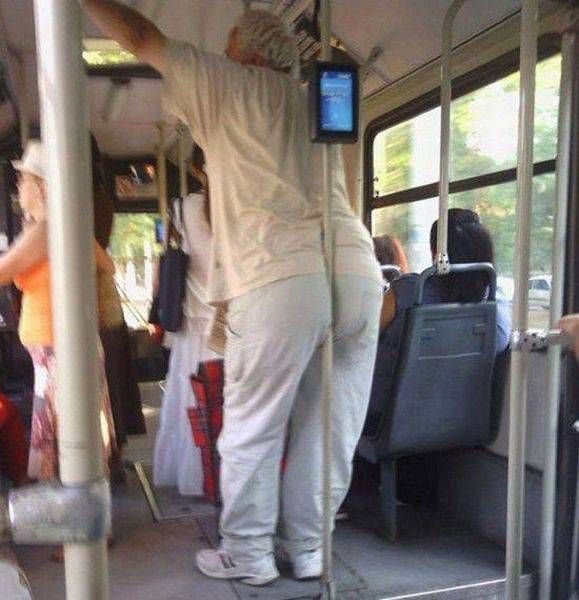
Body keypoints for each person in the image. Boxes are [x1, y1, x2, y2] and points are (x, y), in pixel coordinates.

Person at [82, 3, 382, 585]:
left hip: (281, 276)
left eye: (226, 47)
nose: (221, 55)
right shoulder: (317, 99)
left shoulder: (230, 83)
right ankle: (310, 548)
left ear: (244, 53)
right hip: (356, 271)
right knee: (330, 426)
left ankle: (248, 553)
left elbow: (140, 34)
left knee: (253, 426)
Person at [0, 140, 117, 483]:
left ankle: (76, 510)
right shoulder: (64, 226)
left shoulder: (46, 230)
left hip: (57, 347)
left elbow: (4, 271)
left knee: (66, 438)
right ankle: (85, 506)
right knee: (77, 433)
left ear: (42, 187)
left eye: (24, 179)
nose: (18, 186)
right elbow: (107, 265)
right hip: (65, 345)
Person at [365, 208, 511, 436]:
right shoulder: (497, 307)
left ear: (436, 253)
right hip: (462, 422)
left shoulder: (408, 292)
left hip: (386, 418)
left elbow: (364, 334)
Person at [153, 147, 219, 496]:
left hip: (194, 324)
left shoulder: (181, 209)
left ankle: (195, 475)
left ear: (195, 169)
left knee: (190, 399)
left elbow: (167, 263)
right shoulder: (239, 206)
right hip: (231, 322)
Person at [91, 135, 146, 457]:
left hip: (92, 295)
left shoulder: (82, 202)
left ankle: (107, 454)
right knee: (111, 374)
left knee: (102, 378)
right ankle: (114, 450)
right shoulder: (101, 198)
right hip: (104, 295)